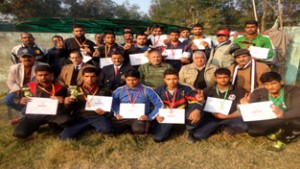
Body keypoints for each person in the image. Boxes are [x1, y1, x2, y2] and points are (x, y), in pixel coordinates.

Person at [241, 72, 300, 151]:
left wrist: (283, 114)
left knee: (297, 123)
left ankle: (283, 140)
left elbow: (298, 109)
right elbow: (253, 113)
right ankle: (277, 130)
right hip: (270, 119)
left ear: (281, 82)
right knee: (253, 132)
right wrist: (247, 106)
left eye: (273, 84)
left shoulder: (294, 91)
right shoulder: (258, 93)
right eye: (266, 84)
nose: (270, 87)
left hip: (288, 117)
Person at [13, 65, 70, 139]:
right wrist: (21, 101)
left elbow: (68, 103)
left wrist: (62, 100)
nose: (43, 77)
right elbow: (17, 99)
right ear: (36, 76)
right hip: (34, 116)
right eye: (40, 75)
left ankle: (53, 125)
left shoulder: (60, 88)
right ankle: (34, 126)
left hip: (54, 114)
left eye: (46, 75)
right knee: (20, 133)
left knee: (68, 122)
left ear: (51, 75)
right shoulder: (27, 87)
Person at [193, 68, 248, 140]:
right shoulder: (207, 90)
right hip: (212, 118)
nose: (223, 80)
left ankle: (228, 128)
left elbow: (241, 109)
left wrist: (227, 116)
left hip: (231, 117)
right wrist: (200, 100)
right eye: (219, 78)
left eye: (225, 77)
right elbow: (203, 105)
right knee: (199, 135)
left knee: (245, 126)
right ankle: (218, 127)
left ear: (230, 78)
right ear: (215, 79)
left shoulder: (239, 91)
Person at [60, 67, 112, 140]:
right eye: (87, 76)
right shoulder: (74, 90)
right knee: (65, 137)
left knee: (106, 129)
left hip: (97, 117)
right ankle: (86, 128)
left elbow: (109, 109)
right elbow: (68, 110)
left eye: (93, 76)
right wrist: (66, 103)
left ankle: (93, 128)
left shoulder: (104, 90)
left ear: (97, 77)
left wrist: (104, 113)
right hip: (80, 117)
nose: (90, 79)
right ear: (82, 77)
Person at [153, 69, 202, 143]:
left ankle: (190, 131)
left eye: (174, 79)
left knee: (195, 113)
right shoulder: (159, 90)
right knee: (158, 138)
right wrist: (156, 115)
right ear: (164, 80)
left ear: (178, 78)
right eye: (168, 79)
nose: (172, 81)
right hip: (166, 116)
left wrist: (196, 110)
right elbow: (153, 105)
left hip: (181, 113)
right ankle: (168, 128)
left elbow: (194, 101)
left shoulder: (186, 89)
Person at [3, 48, 48, 123]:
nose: (27, 59)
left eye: (29, 56)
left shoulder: (44, 66)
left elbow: (47, 80)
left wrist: (34, 91)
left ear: (34, 57)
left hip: (37, 90)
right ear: (20, 58)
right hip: (19, 90)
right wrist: (20, 93)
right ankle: (27, 114)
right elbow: (10, 82)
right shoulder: (14, 68)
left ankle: (23, 118)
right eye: (24, 57)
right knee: (7, 100)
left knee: (32, 101)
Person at [111, 70, 163, 134]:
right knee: (111, 130)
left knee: (139, 130)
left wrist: (150, 117)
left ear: (139, 79)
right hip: (123, 116)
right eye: (128, 80)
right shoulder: (119, 90)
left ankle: (141, 126)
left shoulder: (147, 90)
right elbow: (113, 103)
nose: (131, 82)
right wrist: (117, 113)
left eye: (134, 80)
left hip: (140, 117)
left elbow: (159, 104)